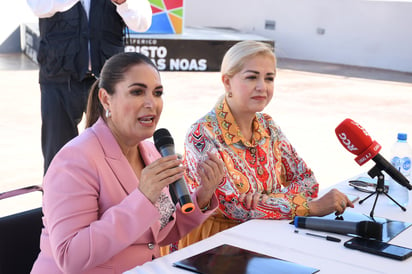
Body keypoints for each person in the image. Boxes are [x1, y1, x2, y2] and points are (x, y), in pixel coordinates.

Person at [30, 52, 225, 274]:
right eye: (137, 92)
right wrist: (143, 198)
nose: (152, 103)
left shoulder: (151, 152)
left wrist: (203, 196)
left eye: (157, 93)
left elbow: (155, 237)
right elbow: (71, 257)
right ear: (106, 99)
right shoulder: (74, 161)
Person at [177, 40, 355, 249]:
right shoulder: (202, 133)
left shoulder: (268, 126)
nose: (262, 87)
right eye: (252, 77)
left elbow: (307, 181)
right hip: (215, 243)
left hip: (265, 234)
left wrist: (267, 199)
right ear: (227, 82)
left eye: (269, 78)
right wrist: (311, 208)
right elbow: (232, 206)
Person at [26, 0, 153, 174]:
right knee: (57, 151)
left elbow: (143, 22)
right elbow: (38, 7)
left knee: (113, 150)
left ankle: (115, 201)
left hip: (108, 82)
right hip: (58, 77)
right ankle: (58, 200)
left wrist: (124, 3)